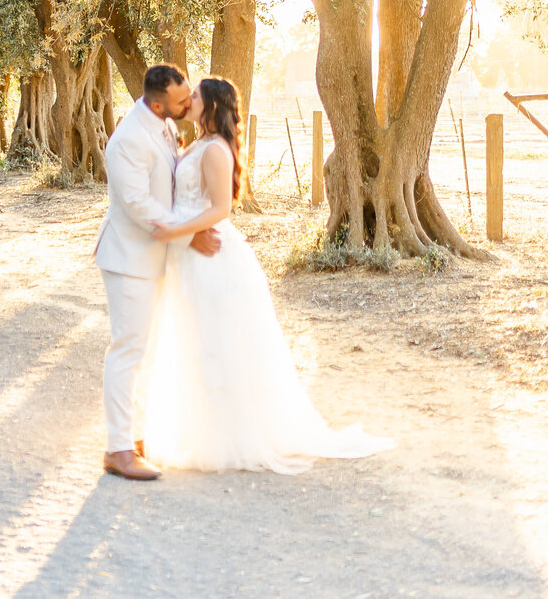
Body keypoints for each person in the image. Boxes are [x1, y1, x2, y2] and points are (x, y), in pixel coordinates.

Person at [141, 77, 393, 474]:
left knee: (216, 342)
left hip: (211, 256)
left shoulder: (215, 150)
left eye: (196, 95)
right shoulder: (197, 143)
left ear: (211, 106)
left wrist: (176, 232)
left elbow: (221, 209)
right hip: (189, 254)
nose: (189, 99)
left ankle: (229, 437)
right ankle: (196, 431)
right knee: (194, 340)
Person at [93, 63, 219, 481]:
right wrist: (189, 235)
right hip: (130, 259)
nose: (188, 104)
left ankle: (138, 438)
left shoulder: (163, 124)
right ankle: (118, 449)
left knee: (145, 351)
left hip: (156, 257)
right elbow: (138, 205)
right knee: (128, 350)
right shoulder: (128, 139)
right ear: (158, 103)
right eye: (181, 101)